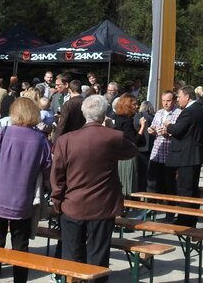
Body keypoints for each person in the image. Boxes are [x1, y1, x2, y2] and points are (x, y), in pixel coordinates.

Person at [51, 95, 137, 283]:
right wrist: (110, 129)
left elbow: (57, 175)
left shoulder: (65, 140)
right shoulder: (113, 136)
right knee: (98, 257)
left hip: (72, 205)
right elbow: (131, 150)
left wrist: (57, 200)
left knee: (72, 255)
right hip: (103, 206)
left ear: (83, 113)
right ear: (104, 114)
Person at [0, 97, 51, 283]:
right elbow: (47, 169)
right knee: (21, 247)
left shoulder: (3, 133)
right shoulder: (41, 139)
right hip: (24, 200)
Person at [162, 86, 203, 227]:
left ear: (187, 97)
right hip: (194, 154)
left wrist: (168, 125)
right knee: (192, 188)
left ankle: (184, 220)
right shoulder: (199, 109)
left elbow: (177, 130)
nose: (177, 99)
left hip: (187, 155)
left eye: (179, 96)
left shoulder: (189, 111)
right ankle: (191, 218)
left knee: (185, 189)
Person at [147, 91, 180, 195]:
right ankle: (152, 207)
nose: (165, 103)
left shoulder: (179, 113)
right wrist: (150, 130)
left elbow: (180, 131)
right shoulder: (159, 112)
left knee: (169, 184)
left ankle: (169, 208)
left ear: (174, 101)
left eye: (168, 101)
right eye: (163, 100)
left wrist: (168, 132)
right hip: (156, 152)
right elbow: (153, 126)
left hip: (169, 153)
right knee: (153, 183)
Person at [113, 94, 141, 198]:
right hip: (127, 157)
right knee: (128, 183)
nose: (136, 106)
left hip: (118, 155)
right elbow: (133, 141)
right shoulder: (127, 121)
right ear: (127, 105)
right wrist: (142, 128)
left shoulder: (116, 118)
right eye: (134, 104)